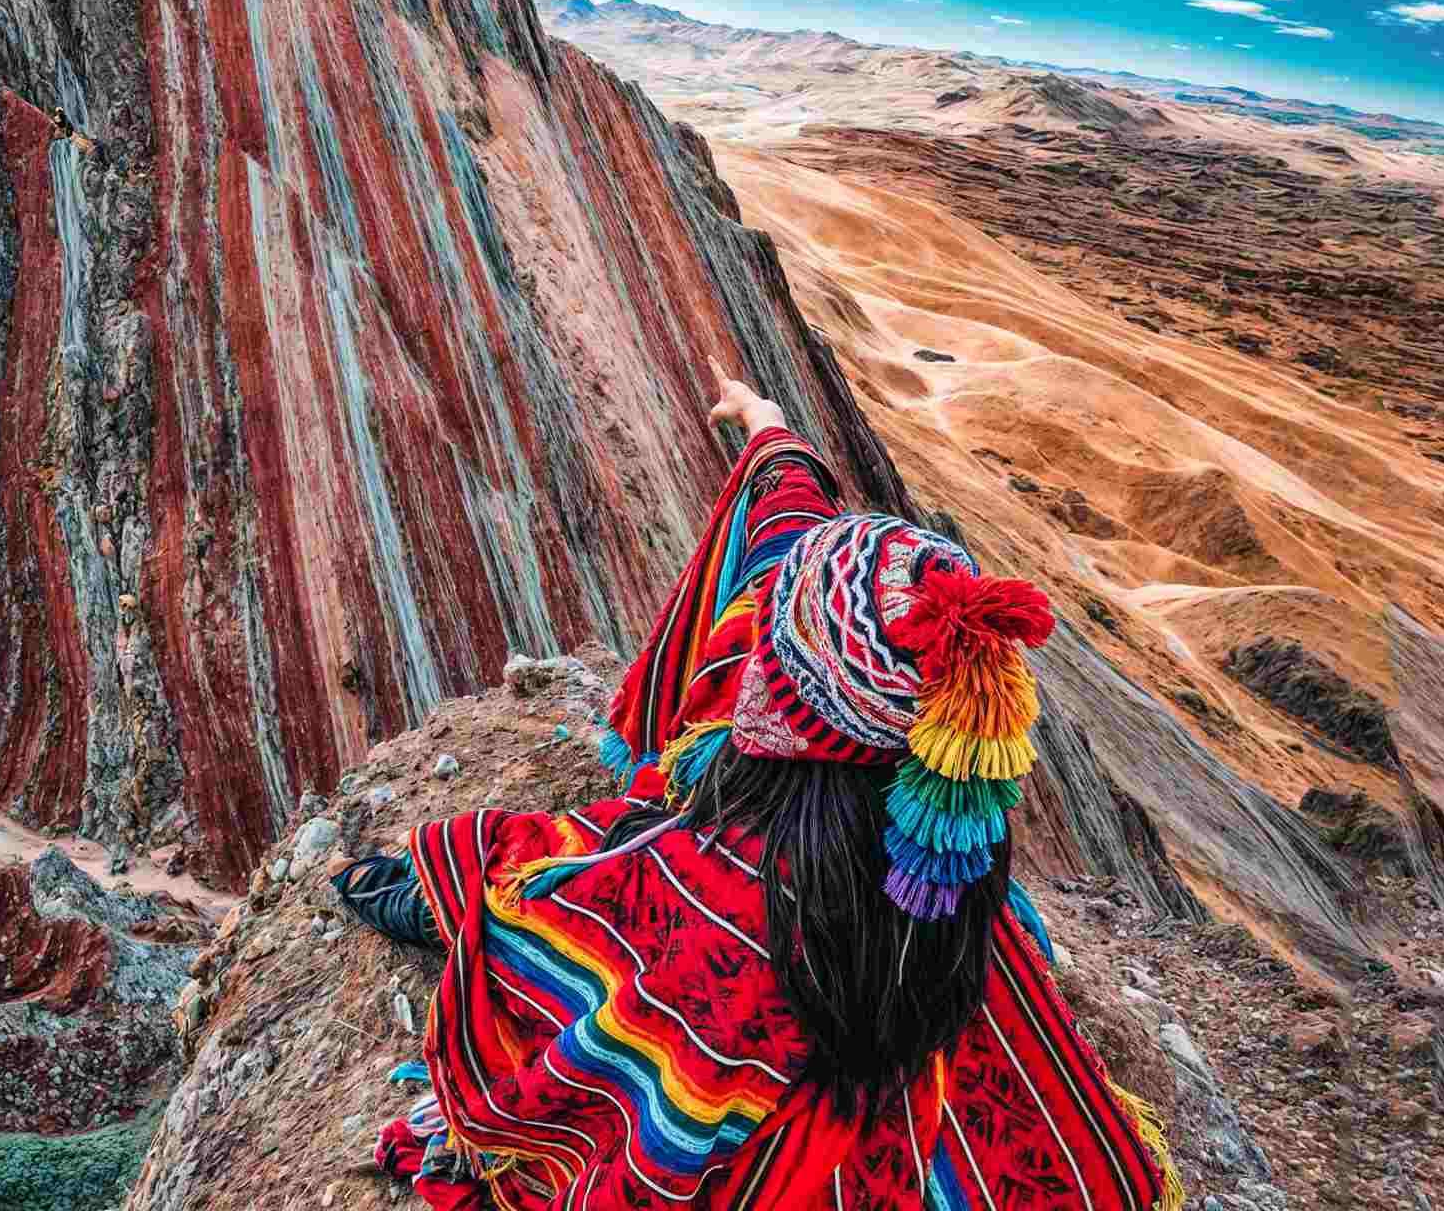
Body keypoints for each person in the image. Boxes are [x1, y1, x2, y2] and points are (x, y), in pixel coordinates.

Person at [338, 359, 1182, 1210]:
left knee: (535, 873)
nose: (756, 642)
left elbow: (577, 943)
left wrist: (453, 897)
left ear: (789, 691)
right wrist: (765, 422)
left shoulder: (731, 887)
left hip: (780, 1136)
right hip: (893, 1016)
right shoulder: (949, 864)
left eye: (771, 641)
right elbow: (792, 530)